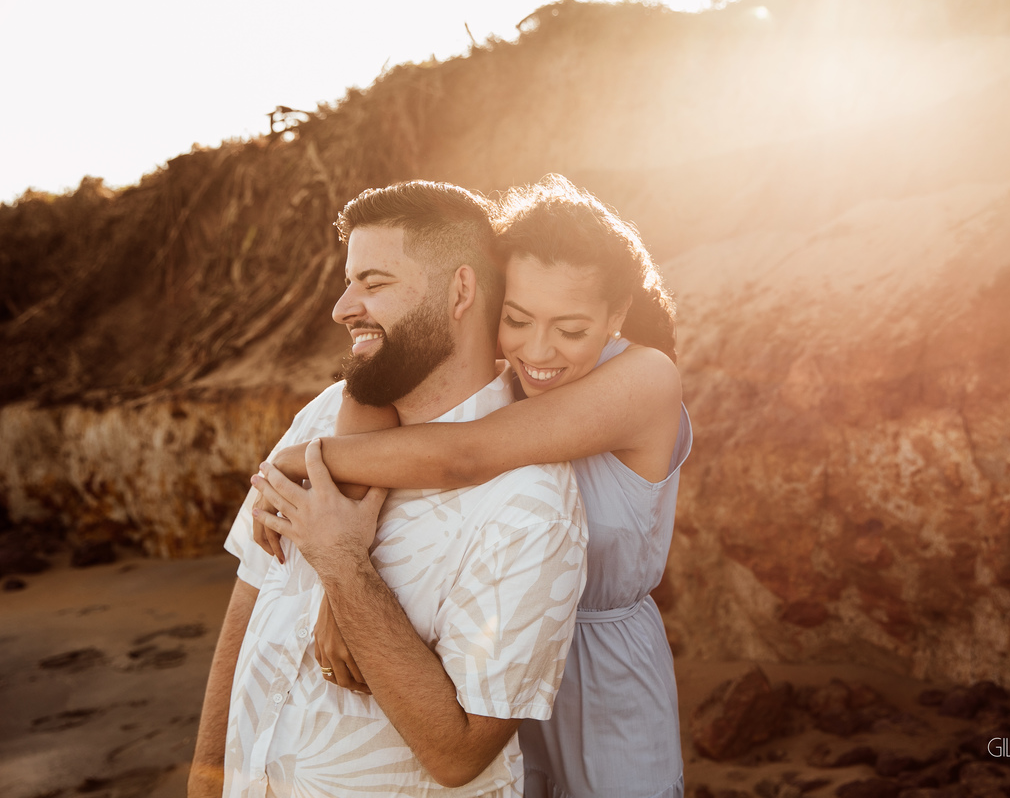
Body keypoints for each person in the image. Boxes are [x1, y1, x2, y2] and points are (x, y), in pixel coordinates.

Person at [260, 175, 690, 798]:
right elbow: (379, 385)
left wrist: (306, 457)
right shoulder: (508, 355)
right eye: (516, 318)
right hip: (479, 655)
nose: (538, 350)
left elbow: (465, 454)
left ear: (616, 314)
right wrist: (340, 580)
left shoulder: (644, 377)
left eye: (571, 329)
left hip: (599, 671)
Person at [188, 180, 588, 797]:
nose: (342, 308)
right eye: (350, 283)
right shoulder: (322, 417)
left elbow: (461, 754)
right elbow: (246, 605)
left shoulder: (529, 505)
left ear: (460, 290)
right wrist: (206, 780)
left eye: (373, 284)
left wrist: (344, 567)